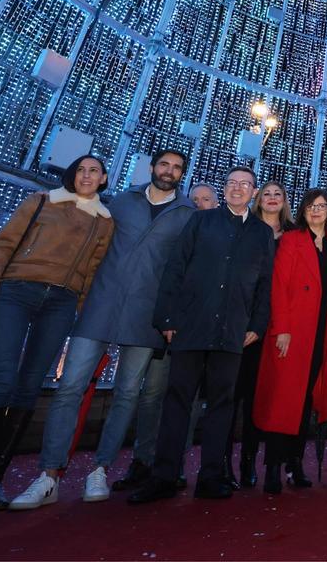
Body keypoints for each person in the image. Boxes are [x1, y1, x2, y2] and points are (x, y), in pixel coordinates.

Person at [10, 150, 195, 510]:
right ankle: (49, 474)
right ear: (153, 168)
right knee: (69, 388)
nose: (169, 171)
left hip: (147, 316)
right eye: (164, 164)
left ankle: (101, 469)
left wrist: (171, 318)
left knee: (127, 393)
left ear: (182, 173)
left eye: (176, 167)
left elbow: (183, 271)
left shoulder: (188, 215)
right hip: (99, 306)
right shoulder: (120, 202)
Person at [0, 155, 115, 520]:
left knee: (30, 386)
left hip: (60, 302)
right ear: (70, 174)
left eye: (94, 171)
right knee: (0, 381)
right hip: (16, 291)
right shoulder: (41, 201)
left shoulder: (105, 221)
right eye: (81, 169)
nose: (87, 175)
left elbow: (92, 271)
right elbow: (2, 246)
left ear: (104, 178)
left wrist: (76, 307)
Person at [128, 166, 275, 503]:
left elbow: (265, 283)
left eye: (245, 185)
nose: (238, 189)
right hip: (191, 324)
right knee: (178, 401)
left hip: (234, 330)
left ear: (253, 193)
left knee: (222, 404)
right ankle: (164, 475)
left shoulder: (261, 233)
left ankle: (211, 475)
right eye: (232, 183)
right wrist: (167, 317)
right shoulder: (200, 221)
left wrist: (257, 325)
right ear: (224, 190)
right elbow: (175, 268)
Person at [114, 178, 216, 495]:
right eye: (194, 199)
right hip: (166, 331)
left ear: (215, 205)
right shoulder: (176, 236)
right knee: (152, 397)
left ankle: (175, 465)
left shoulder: (218, 240)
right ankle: (143, 461)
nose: (199, 204)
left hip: (197, 334)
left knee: (186, 401)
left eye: (206, 200)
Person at [254, 188, 327, 494]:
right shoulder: (291, 240)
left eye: (322, 206)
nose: (316, 211)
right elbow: (278, 286)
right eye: (310, 207)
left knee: (305, 401)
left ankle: (295, 462)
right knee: (284, 400)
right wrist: (282, 329)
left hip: (320, 332)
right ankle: (274, 468)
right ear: (303, 212)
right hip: (292, 332)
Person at [228, 182, 296, 489]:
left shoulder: (295, 234)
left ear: (285, 201)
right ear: (258, 198)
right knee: (236, 395)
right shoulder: (246, 227)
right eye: (266, 193)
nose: (271, 198)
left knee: (266, 397)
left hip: (281, 328)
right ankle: (231, 462)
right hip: (246, 324)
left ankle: (260, 462)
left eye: (277, 194)